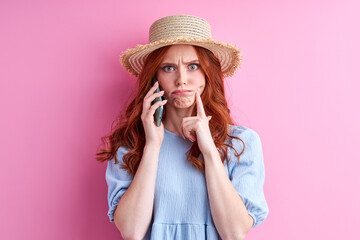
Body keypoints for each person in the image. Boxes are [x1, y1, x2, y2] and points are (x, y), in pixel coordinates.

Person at [96, 15, 269, 240]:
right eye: (168, 68)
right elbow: (131, 232)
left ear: (207, 74)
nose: (181, 79)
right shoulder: (130, 144)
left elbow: (234, 232)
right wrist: (152, 145)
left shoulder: (241, 143)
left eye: (193, 66)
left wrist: (209, 151)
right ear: (154, 78)